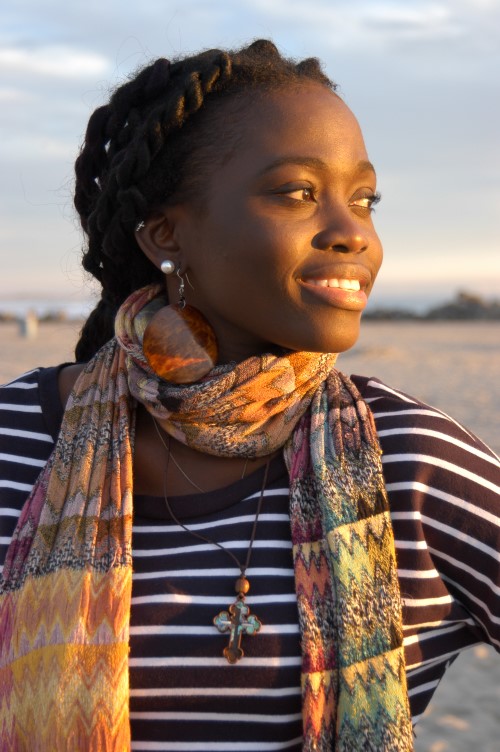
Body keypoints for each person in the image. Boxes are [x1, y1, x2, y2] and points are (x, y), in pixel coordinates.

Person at [0, 39, 498, 752]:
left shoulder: (413, 465)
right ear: (166, 234)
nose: (353, 232)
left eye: (365, 199)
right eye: (298, 192)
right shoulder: (16, 441)